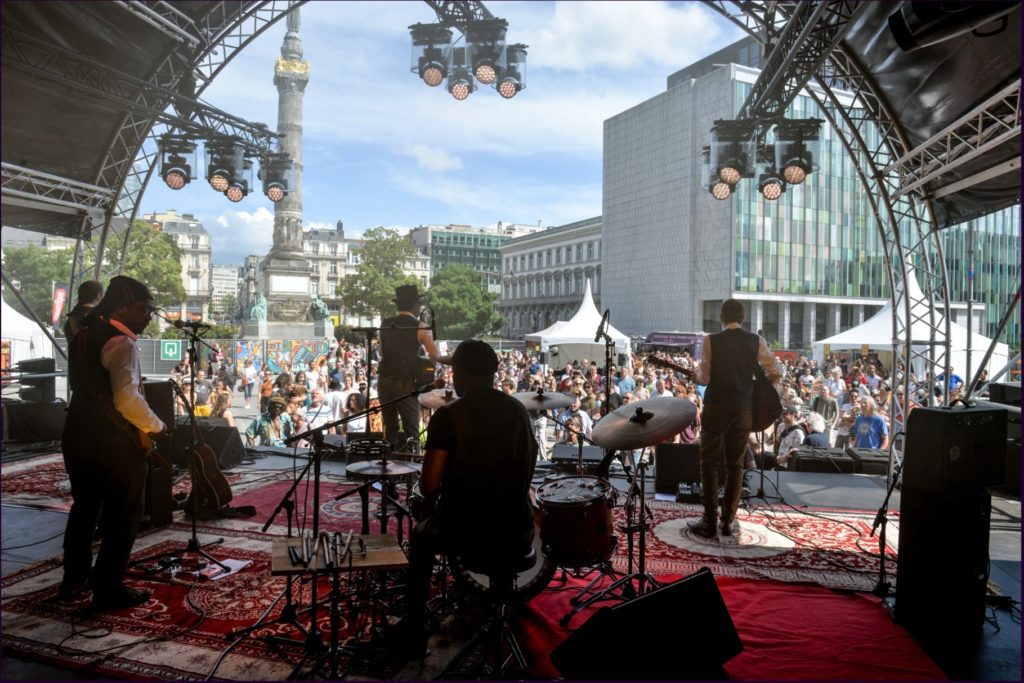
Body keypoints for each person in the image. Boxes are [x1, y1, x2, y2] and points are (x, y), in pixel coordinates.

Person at [403, 340, 537, 654]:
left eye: (454, 371)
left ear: (462, 373)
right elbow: (527, 471)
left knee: (422, 537)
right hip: (518, 526)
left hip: (470, 529)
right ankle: (498, 604)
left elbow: (428, 486)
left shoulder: (450, 416)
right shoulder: (518, 411)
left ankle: (413, 627)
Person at [60, 275, 166, 610]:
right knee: (123, 516)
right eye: (143, 308)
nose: (148, 315)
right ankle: (108, 589)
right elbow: (127, 399)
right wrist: (157, 426)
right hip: (113, 443)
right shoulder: (122, 343)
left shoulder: (84, 334)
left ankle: (74, 579)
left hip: (77, 433)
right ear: (120, 307)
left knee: (84, 509)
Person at [688, 299, 783, 538]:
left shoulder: (711, 340)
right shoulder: (756, 341)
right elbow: (776, 372)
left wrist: (695, 376)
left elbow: (705, 378)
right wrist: (755, 388)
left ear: (721, 317)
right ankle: (728, 522)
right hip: (743, 408)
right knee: (735, 465)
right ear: (742, 319)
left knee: (709, 463)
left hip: (716, 406)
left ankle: (709, 520)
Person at [377, 284, 449, 450]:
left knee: (390, 427)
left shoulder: (386, 323)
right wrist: (424, 367)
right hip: (406, 382)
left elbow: (381, 352)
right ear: (414, 305)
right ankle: (411, 467)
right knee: (411, 429)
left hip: (384, 379)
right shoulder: (420, 326)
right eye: (419, 304)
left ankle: (387, 463)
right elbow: (434, 354)